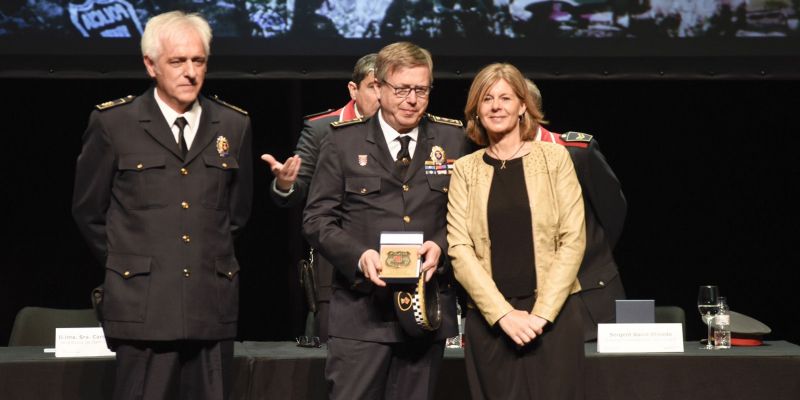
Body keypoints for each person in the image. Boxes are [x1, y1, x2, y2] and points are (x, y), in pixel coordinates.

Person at [71, 11, 252, 400]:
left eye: (198, 61)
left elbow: (235, 216)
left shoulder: (233, 125)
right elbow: (89, 211)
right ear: (150, 65)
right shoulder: (114, 123)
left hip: (210, 306)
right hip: (142, 309)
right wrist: (130, 264)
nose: (190, 72)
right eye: (177, 61)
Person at [302, 41, 469, 400]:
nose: (412, 99)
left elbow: (467, 217)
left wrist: (440, 246)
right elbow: (317, 219)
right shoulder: (341, 142)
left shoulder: (454, 140)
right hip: (361, 313)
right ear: (378, 87)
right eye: (402, 89)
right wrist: (359, 255)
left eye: (421, 90)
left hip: (426, 311)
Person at [447, 63, 586, 399]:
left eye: (506, 98)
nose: (497, 106)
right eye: (487, 99)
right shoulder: (464, 169)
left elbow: (573, 239)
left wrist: (540, 315)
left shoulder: (555, 158)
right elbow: (459, 249)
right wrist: (504, 314)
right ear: (476, 110)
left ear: (523, 105)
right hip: (491, 322)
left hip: (554, 318)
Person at [260, 53, 379, 341]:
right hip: (338, 262)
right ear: (354, 90)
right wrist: (286, 184)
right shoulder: (323, 128)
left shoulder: (408, 127)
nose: (382, 95)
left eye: (387, 86)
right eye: (374, 86)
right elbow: (295, 191)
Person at [527, 79, 628, 341]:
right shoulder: (486, 161)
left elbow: (612, 213)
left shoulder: (576, 153)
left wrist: (589, 258)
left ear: (533, 110)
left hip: (588, 296)